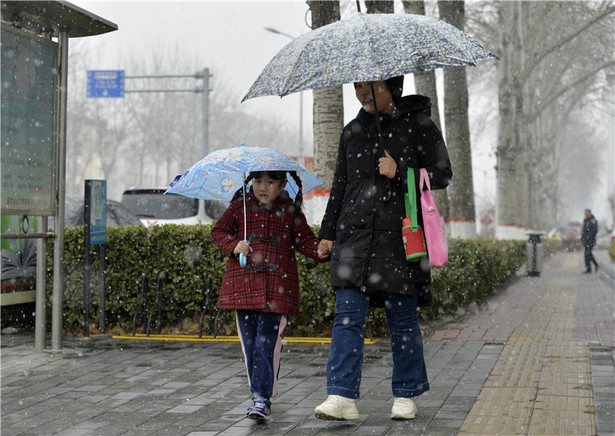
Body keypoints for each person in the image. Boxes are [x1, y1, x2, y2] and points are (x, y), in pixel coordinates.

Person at [314, 77, 452, 421]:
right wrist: (328, 233)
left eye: (371, 86)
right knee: (347, 318)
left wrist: (401, 171)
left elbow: (443, 173)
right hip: (353, 240)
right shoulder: (352, 132)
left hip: (399, 238)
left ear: (392, 87)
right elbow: (340, 185)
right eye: (358, 85)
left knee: (402, 320)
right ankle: (341, 396)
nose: (362, 93)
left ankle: (406, 394)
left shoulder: (418, 124)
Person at [211, 170, 326, 420]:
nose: (263, 188)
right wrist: (234, 245)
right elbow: (218, 231)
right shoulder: (239, 207)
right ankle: (260, 392)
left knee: (267, 343)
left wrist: (321, 250)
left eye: (270, 182)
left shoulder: (290, 211)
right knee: (250, 345)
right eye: (257, 181)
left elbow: (305, 241)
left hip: (278, 288)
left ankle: (261, 397)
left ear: (283, 184)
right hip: (243, 287)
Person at [582, 208, 598, 273]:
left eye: (586, 213)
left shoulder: (593, 221)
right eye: (585, 213)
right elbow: (584, 231)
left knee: (588, 254)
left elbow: (595, 231)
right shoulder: (585, 220)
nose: (585, 214)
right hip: (586, 241)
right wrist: (583, 238)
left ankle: (592, 267)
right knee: (587, 254)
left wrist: (589, 237)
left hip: (591, 241)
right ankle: (590, 268)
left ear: (590, 213)